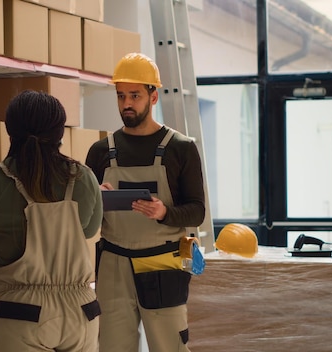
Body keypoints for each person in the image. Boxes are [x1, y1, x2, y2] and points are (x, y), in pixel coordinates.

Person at [0, 90, 103, 351]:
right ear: (60, 133)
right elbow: (89, 230)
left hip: (20, 313)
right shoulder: (84, 177)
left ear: (9, 132)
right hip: (81, 312)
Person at [85, 52, 206, 352]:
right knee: (112, 346)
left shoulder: (181, 148)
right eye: (121, 95)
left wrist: (165, 212)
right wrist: (95, 198)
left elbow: (197, 210)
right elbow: (84, 220)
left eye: (135, 95)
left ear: (153, 97)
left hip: (163, 261)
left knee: (169, 347)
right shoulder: (101, 151)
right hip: (113, 263)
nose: (126, 103)